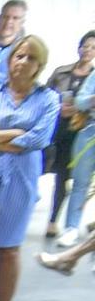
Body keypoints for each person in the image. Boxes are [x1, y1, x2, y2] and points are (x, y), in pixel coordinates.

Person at [0, 36, 59, 301]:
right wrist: (7, 136)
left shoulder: (48, 98)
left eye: (30, 58)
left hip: (20, 179)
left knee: (9, 248)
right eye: (18, 56)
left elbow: (37, 140)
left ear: (39, 65)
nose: (22, 63)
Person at [44, 32, 95, 240]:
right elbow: (79, 101)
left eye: (92, 47)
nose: (88, 50)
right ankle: (67, 226)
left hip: (78, 129)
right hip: (73, 132)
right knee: (70, 179)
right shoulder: (67, 72)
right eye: (86, 46)